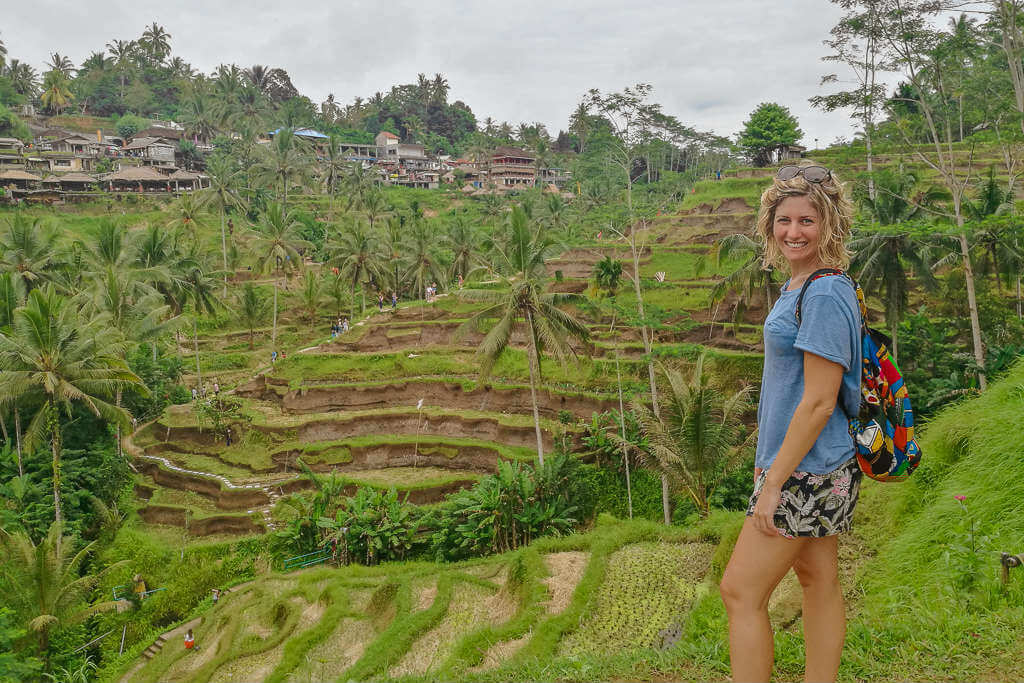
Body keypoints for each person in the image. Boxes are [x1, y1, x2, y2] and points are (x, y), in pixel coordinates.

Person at [719, 163, 862, 683]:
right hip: (823, 462)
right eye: (784, 220)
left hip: (804, 471)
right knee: (817, 579)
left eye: (808, 220)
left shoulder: (822, 293)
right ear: (769, 224)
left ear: (831, 225)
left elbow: (820, 401)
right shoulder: (804, 284)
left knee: (739, 592)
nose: (794, 232)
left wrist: (773, 483)